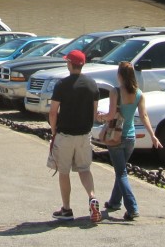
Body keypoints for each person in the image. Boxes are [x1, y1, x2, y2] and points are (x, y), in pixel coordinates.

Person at [101, 61, 162, 221]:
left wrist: (100, 117)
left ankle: (132, 208)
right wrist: (153, 135)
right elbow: (144, 116)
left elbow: (111, 114)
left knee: (121, 172)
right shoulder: (139, 94)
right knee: (121, 171)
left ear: (120, 75)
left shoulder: (115, 92)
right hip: (130, 138)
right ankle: (114, 202)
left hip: (116, 137)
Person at [47, 50, 101, 223]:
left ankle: (66, 209)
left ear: (70, 64)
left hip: (65, 134)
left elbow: (53, 112)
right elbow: (94, 112)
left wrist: (54, 130)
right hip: (84, 135)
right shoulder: (92, 84)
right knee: (84, 169)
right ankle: (92, 197)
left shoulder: (62, 84)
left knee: (64, 172)